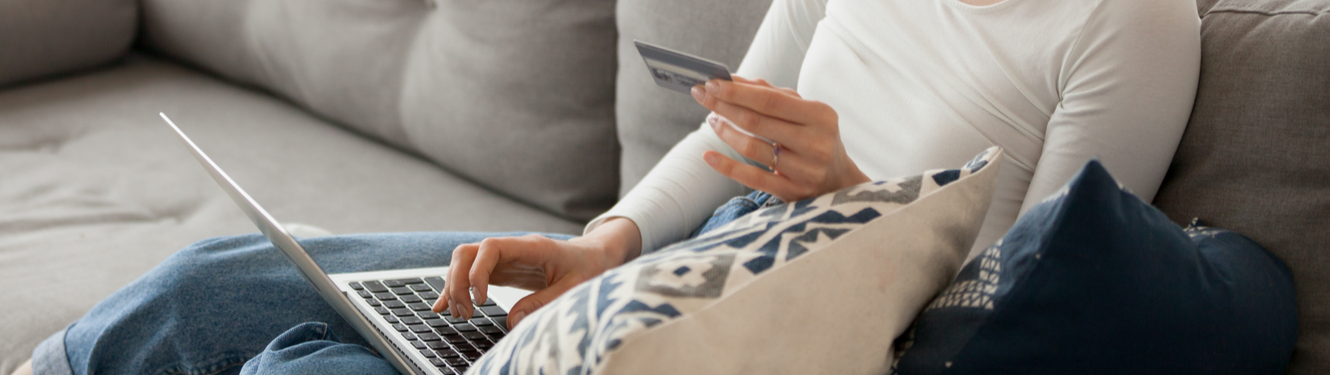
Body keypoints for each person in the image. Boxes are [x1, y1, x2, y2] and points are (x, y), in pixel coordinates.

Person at [19, 0, 1200, 373]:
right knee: (208, 283)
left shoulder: (1129, 23)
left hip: (832, 311)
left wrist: (846, 195)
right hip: (688, 254)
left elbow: (1023, 295)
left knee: (302, 366)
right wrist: (604, 242)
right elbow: (728, 136)